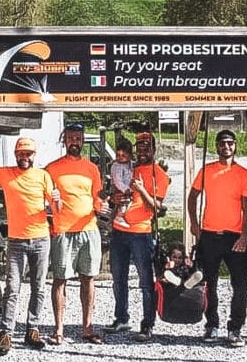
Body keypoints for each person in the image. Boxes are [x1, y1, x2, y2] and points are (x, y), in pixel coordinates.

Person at [0, 137, 60, 355]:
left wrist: (56, 199)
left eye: (28, 153)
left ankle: (32, 329)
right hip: (16, 240)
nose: (24, 157)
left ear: (34, 155)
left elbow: (56, 209)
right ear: (16, 154)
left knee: (39, 287)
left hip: (41, 239)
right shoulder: (6, 174)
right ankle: (6, 333)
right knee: (12, 288)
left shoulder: (43, 176)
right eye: (21, 153)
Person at [187, 129, 247, 348]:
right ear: (216, 146)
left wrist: (245, 236)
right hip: (209, 235)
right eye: (222, 143)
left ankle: (235, 328)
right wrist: (194, 224)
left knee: (240, 284)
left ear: (235, 146)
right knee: (209, 283)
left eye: (230, 143)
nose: (226, 147)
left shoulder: (244, 174)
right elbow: (192, 197)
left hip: (235, 236)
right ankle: (211, 324)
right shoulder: (207, 170)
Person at [45, 122, 109, 345]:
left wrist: (101, 205)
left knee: (88, 278)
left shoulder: (92, 168)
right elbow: (43, 198)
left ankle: (87, 328)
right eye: (71, 137)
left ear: (82, 140)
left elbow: (97, 197)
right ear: (64, 140)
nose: (75, 141)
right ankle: (59, 329)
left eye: (78, 138)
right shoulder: (51, 168)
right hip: (63, 231)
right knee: (60, 279)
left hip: (89, 229)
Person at [105, 131, 168, 342]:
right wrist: (114, 198)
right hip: (119, 229)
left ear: (153, 149)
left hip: (142, 232)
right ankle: (121, 318)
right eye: (139, 148)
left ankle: (147, 324)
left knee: (145, 282)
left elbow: (158, 207)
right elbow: (115, 193)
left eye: (146, 148)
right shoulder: (128, 167)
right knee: (118, 278)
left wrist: (141, 189)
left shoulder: (158, 173)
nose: (142, 152)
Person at [110, 137, 134, 229]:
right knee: (123, 200)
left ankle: (125, 216)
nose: (120, 158)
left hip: (128, 187)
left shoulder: (130, 164)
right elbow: (117, 180)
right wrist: (125, 189)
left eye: (123, 156)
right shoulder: (117, 166)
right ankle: (119, 216)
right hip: (119, 187)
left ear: (130, 155)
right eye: (118, 155)